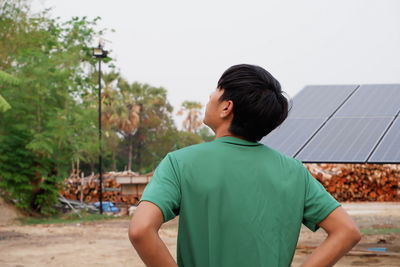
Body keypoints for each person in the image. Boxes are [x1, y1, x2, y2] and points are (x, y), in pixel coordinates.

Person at [128, 64, 361, 267]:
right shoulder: (294, 172)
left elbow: (141, 230)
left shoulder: (179, 162)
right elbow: (347, 231)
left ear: (226, 107)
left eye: (217, 89)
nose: (210, 95)